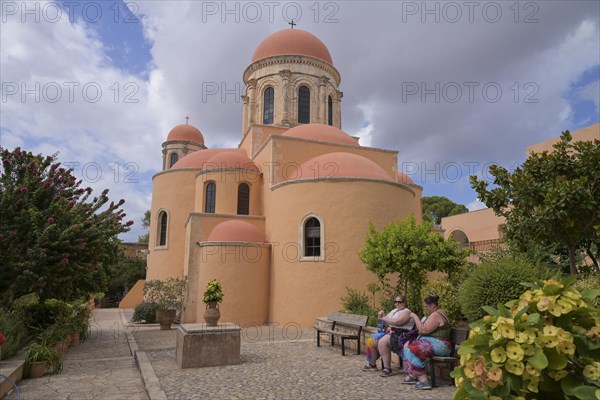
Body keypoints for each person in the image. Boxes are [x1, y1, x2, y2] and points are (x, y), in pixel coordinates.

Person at [402, 294, 452, 390]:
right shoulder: (438, 312)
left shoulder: (436, 315)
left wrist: (415, 317)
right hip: (438, 344)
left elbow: (423, 330)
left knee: (413, 349)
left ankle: (423, 381)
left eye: (426, 306)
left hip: (441, 346)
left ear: (433, 306)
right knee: (408, 345)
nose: (426, 309)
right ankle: (413, 374)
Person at [362, 295, 414, 375]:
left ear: (404, 303)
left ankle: (387, 368)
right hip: (392, 332)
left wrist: (384, 318)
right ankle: (372, 364)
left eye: (400, 302)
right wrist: (381, 315)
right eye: (396, 302)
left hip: (402, 334)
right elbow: (386, 321)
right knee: (373, 341)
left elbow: (398, 322)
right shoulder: (394, 311)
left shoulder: (407, 312)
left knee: (382, 342)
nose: (397, 304)